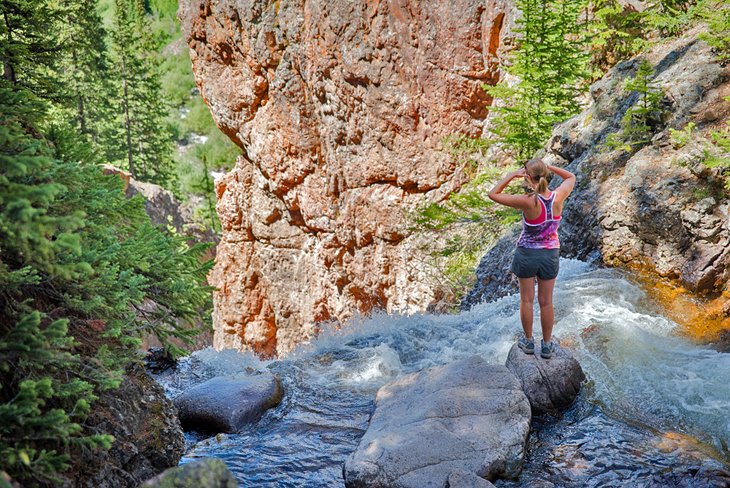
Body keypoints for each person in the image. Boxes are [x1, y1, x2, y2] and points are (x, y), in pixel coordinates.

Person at [487, 158, 576, 359]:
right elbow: (571, 176)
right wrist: (548, 167)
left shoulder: (527, 201)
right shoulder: (558, 196)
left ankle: (528, 342)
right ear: (545, 174)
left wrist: (512, 175)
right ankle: (546, 345)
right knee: (546, 302)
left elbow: (493, 194)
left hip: (527, 254)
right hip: (550, 254)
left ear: (527, 176)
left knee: (526, 300)